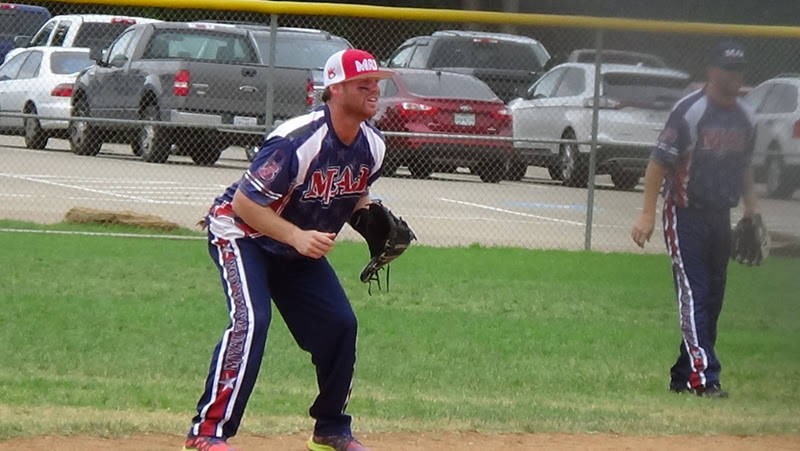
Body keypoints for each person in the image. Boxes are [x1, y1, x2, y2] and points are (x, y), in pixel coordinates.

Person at [182, 49, 393, 451]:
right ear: (336, 89)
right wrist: (296, 236)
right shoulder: (297, 140)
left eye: (376, 82)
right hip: (242, 234)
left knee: (340, 325)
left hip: (296, 246)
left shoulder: (373, 145)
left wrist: (373, 220)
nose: (374, 90)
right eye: (363, 83)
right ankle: (207, 433)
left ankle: (330, 429)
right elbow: (245, 203)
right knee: (251, 322)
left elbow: (354, 192)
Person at [631, 40, 759, 398]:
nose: (735, 76)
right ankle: (705, 379)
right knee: (694, 293)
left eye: (739, 69)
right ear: (711, 71)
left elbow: (745, 167)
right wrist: (647, 214)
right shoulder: (690, 111)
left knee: (712, 299)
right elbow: (658, 163)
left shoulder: (747, 117)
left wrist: (752, 208)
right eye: (728, 69)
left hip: (720, 217)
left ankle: (684, 375)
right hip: (684, 215)